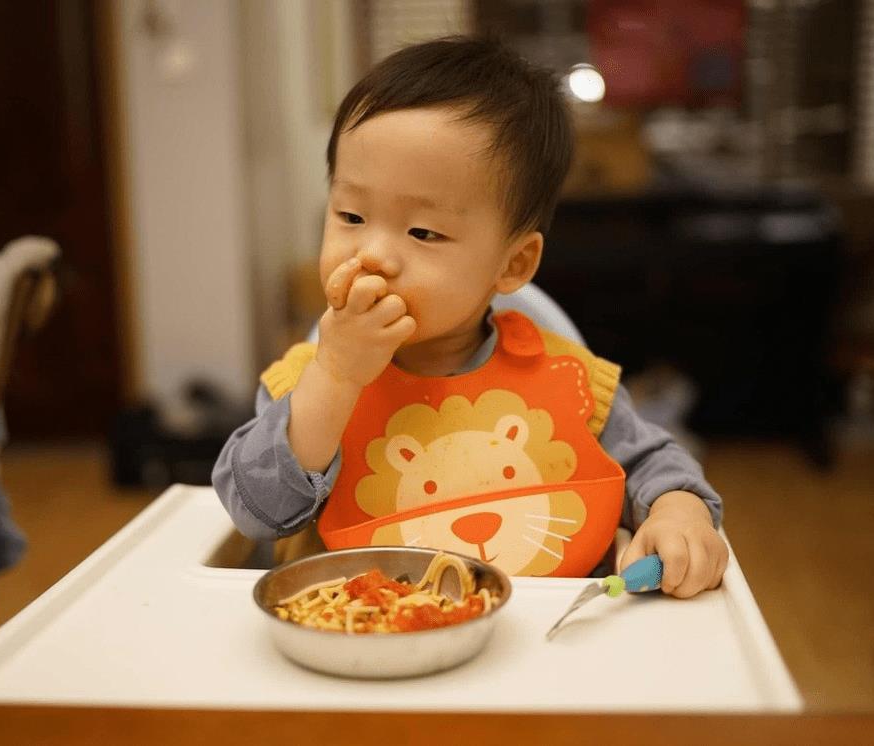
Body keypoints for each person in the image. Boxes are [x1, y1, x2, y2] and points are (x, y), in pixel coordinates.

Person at [213, 36, 727, 597]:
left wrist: (680, 511)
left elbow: (655, 462)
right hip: (358, 652)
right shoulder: (306, 383)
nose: (375, 255)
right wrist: (335, 378)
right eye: (351, 215)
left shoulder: (568, 382)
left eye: (423, 232)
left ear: (513, 264)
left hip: (538, 651)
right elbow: (254, 512)